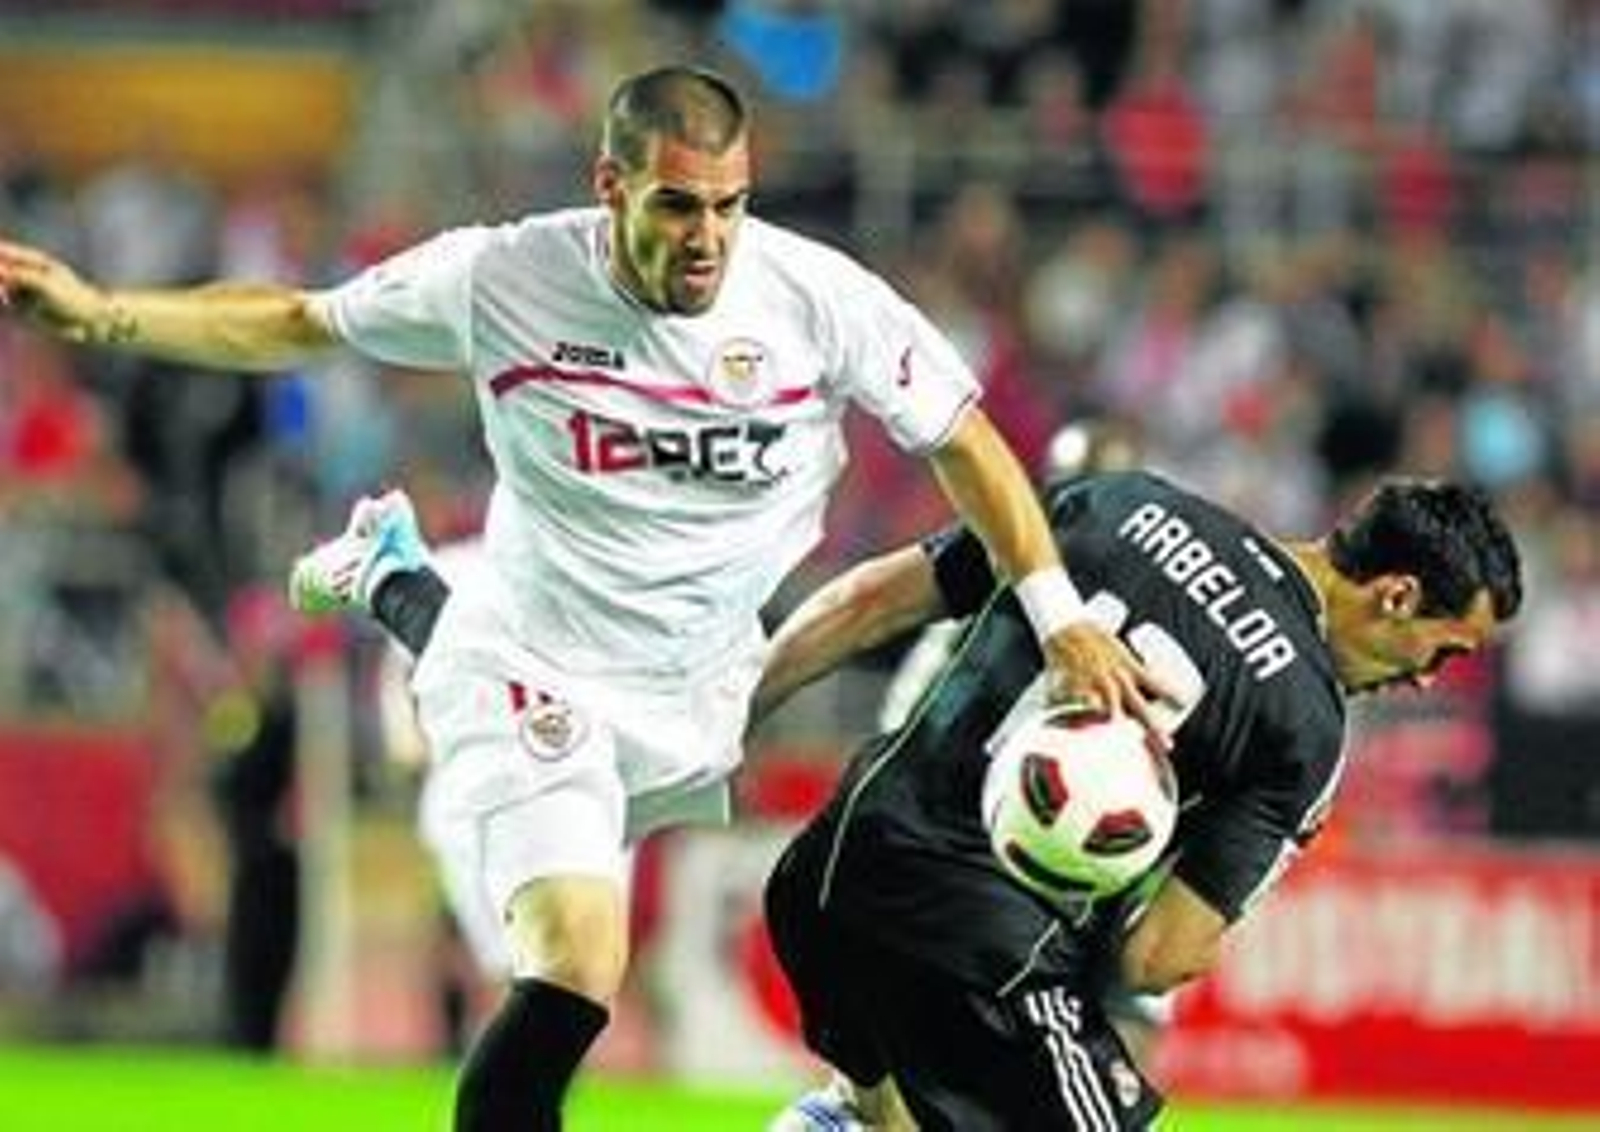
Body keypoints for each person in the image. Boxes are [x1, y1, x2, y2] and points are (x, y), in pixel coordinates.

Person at [0, 65, 1169, 1131]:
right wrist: (101, 312)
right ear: (610, 185)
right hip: (534, 665)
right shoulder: (507, 276)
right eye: (676, 206)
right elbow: (301, 319)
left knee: (638, 908)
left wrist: (1060, 613)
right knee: (575, 964)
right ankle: (411, 592)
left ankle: (395, 575)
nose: (707, 238)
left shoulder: (817, 299)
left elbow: (963, 439)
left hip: (698, 681)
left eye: (729, 206)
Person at [753, 470, 1521, 1130]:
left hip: (829, 870)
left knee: (875, 1108)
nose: (1427, 680)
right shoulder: (1305, 724)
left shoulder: (1120, 504)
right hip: (989, 961)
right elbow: (1159, 956)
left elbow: (867, 603)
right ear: (1397, 595)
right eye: (1444, 651)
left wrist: (726, 724)